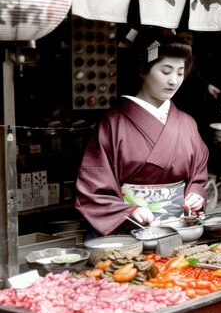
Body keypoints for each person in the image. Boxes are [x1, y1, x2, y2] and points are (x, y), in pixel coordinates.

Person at [75, 28, 210, 237]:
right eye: (165, 71)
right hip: (127, 231)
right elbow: (94, 187)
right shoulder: (113, 123)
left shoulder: (187, 123)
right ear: (143, 70)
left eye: (180, 73)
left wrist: (195, 194)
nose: (173, 80)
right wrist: (130, 210)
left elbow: (198, 176)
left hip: (177, 230)